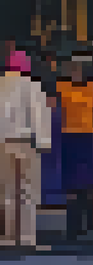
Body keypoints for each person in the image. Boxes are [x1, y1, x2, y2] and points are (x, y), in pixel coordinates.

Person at [0, 50, 51, 248]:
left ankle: (8, 236)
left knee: (7, 192)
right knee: (28, 191)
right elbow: (39, 116)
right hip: (26, 143)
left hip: (3, 143)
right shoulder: (32, 86)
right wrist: (44, 143)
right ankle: (27, 236)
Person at [57, 52, 93, 244]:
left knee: (86, 187)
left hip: (82, 139)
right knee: (77, 187)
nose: (75, 72)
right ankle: (78, 228)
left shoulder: (67, 88)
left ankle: (84, 228)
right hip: (78, 138)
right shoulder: (89, 88)